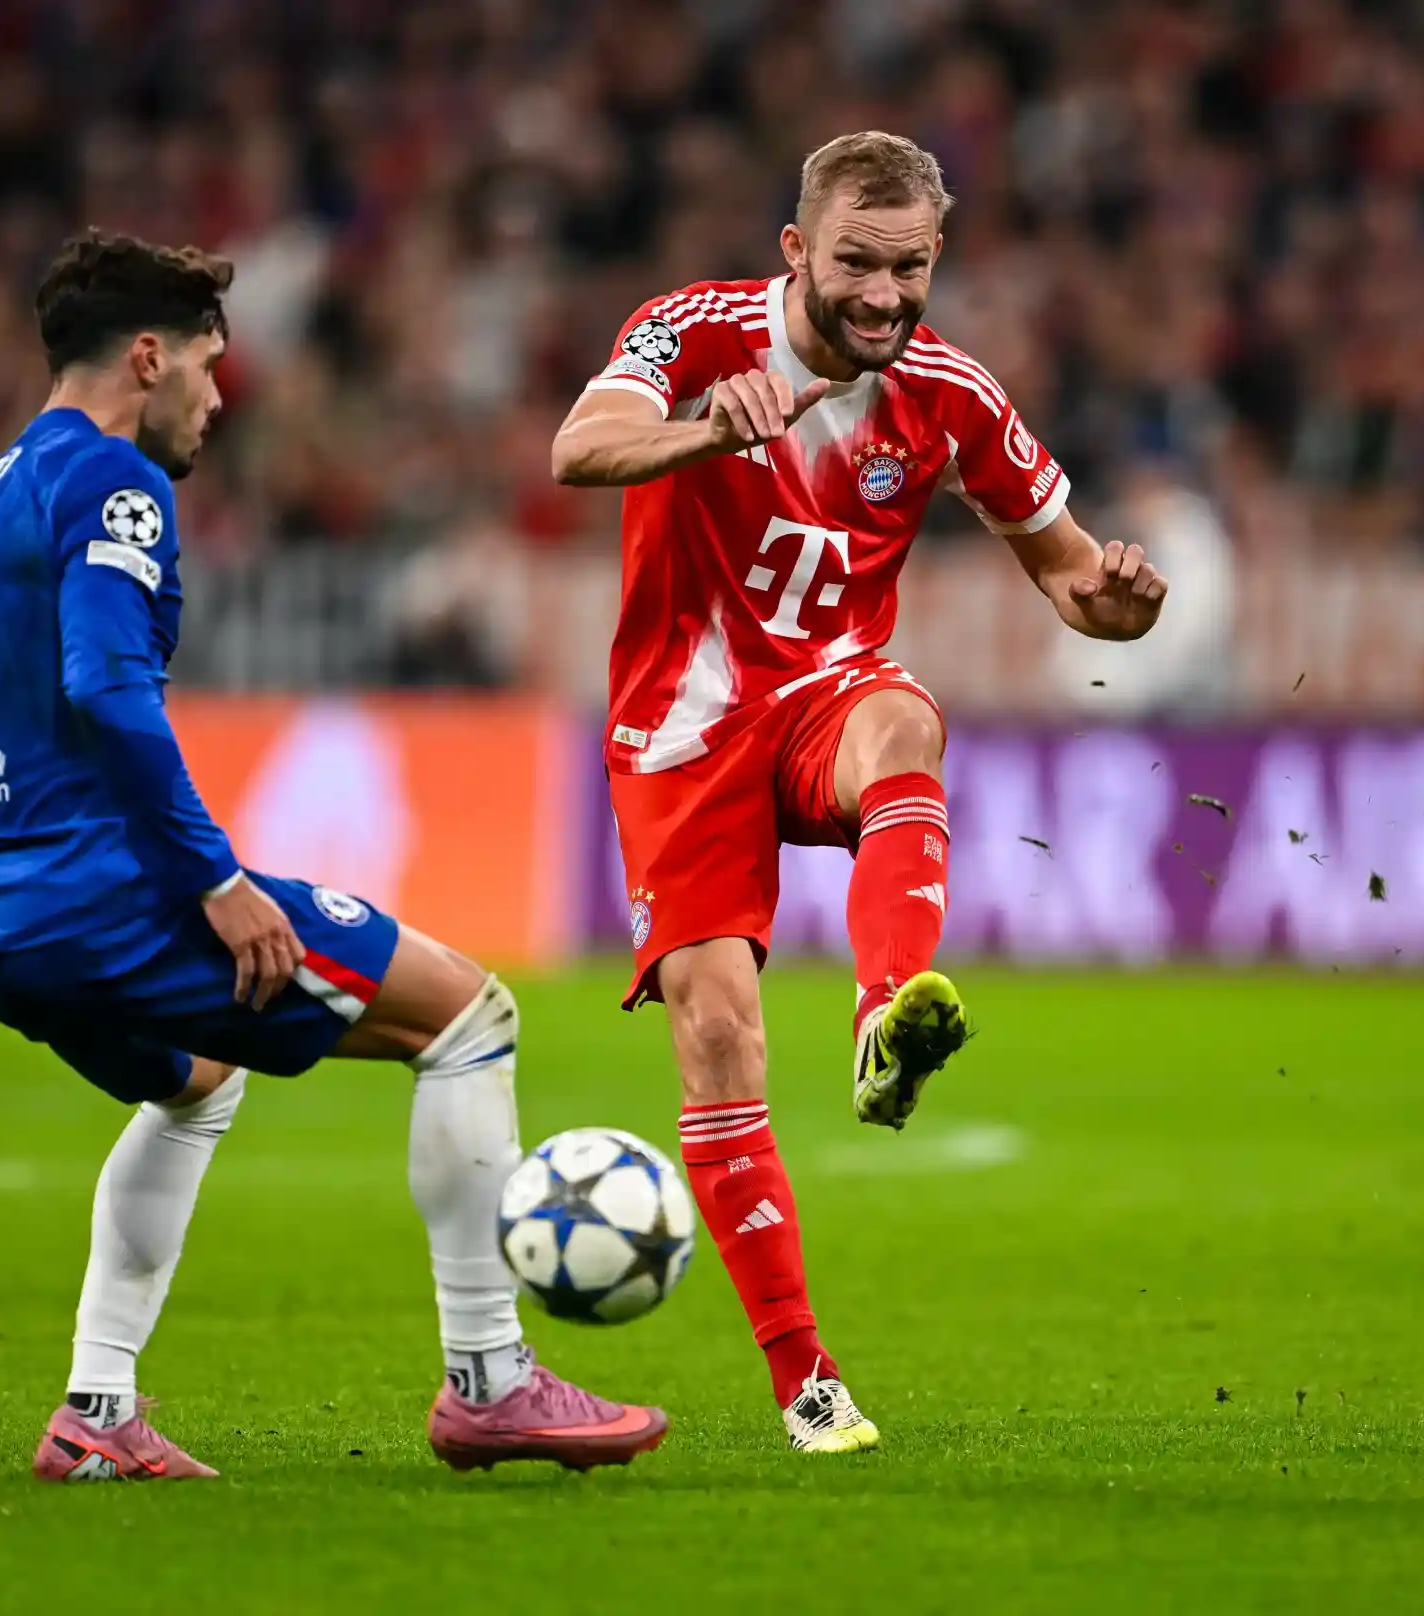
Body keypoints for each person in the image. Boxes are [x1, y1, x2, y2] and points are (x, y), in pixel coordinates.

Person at [0, 230, 665, 1482]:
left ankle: (96, 1410)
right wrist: (216, 879)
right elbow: (106, 689)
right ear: (146, 358)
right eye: (209, 366)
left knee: (199, 1077)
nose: (219, 396)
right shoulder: (113, 485)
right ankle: (492, 1378)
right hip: (106, 899)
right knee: (470, 1014)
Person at [550, 133, 1167, 1454]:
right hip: (682, 731)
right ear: (796, 252)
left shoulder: (947, 394)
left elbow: (1067, 575)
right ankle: (805, 1384)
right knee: (717, 1033)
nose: (886, 297)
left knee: (904, 721)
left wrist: (1111, 609)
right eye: (857, 266)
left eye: (911, 268)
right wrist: (698, 428)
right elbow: (576, 448)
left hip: (824, 698)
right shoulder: (694, 333)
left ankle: (889, 1013)